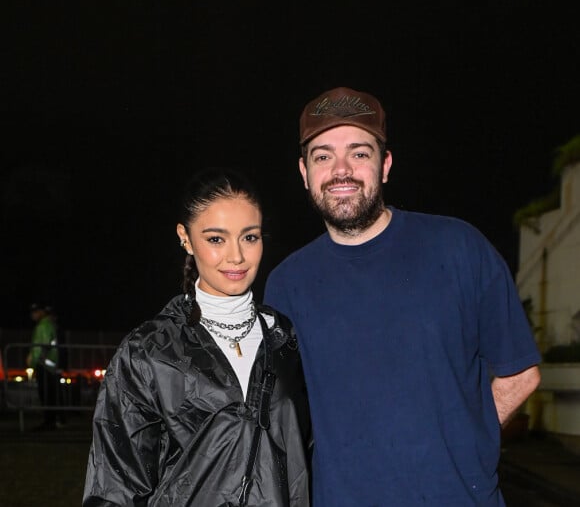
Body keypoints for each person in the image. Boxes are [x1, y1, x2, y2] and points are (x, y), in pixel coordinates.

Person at [264, 86, 541, 506]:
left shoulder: (458, 248)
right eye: (323, 156)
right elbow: (281, 414)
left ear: (385, 165)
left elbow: (521, 374)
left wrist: (468, 445)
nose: (342, 170)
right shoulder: (286, 284)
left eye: (359, 153)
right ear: (304, 172)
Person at [83, 168, 311, 507]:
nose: (236, 256)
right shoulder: (147, 352)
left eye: (249, 237)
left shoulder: (287, 340)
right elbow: (115, 487)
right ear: (185, 237)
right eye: (216, 239)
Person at [26, 302, 60, 431]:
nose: (32, 315)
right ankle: (50, 421)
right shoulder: (48, 324)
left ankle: (49, 422)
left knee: (46, 394)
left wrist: (37, 360)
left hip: (44, 365)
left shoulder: (43, 325)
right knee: (49, 394)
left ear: (40, 312)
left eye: (34, 312)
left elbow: (44, 345)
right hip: (47, 364)